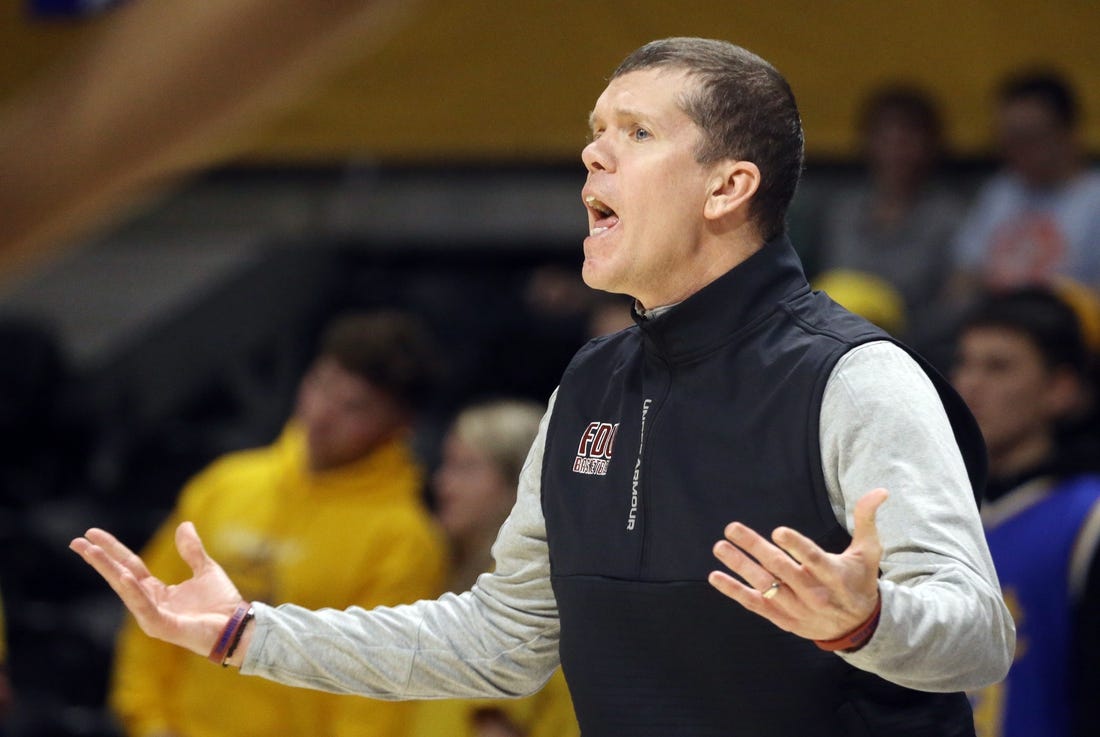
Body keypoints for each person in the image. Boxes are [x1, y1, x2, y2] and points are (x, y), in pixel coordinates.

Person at [72, 38, 1014, 737]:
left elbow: (979, 639)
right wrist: (246, 633)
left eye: (634, 133)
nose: (592, 156)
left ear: (728, 187)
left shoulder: (858, 377)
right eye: (594, 133)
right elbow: (502, 637)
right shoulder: (590, 383)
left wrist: (866, 619)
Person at [108, 310, 448, 737]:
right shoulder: (225, 484)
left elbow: (376, 696)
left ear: (400, 425)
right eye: (321, 385)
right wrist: (149, 721)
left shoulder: (404, 540)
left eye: (354, 406)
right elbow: (153, 609)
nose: (323, 414)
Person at [951, 288, 1100, 737]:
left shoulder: (1087, 518)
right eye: (965, 363)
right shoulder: (938, 509)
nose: (970, 385)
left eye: (998, 367)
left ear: (1061, 389)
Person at [412, 400, 578, 737]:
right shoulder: (462, 577)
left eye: (465, 468)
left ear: (520, 484)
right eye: (447, 464)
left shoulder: (520, 595)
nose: (443, 484)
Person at [816, 85, 965, 334]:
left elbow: (953, 305)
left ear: (931, 144)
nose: (896, 151)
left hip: (917, 347)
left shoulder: (950, 217)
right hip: (833, 338)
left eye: (907, 140)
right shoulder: (843, 210)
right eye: (886, 138)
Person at [951, 70, 1100, 297]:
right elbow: (964, 275)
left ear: (1068, 133)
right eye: (1007, 140)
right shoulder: (1000, 190)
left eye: (1028, 138)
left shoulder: (1093, 200)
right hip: (993, 320)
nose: (1015, 151)